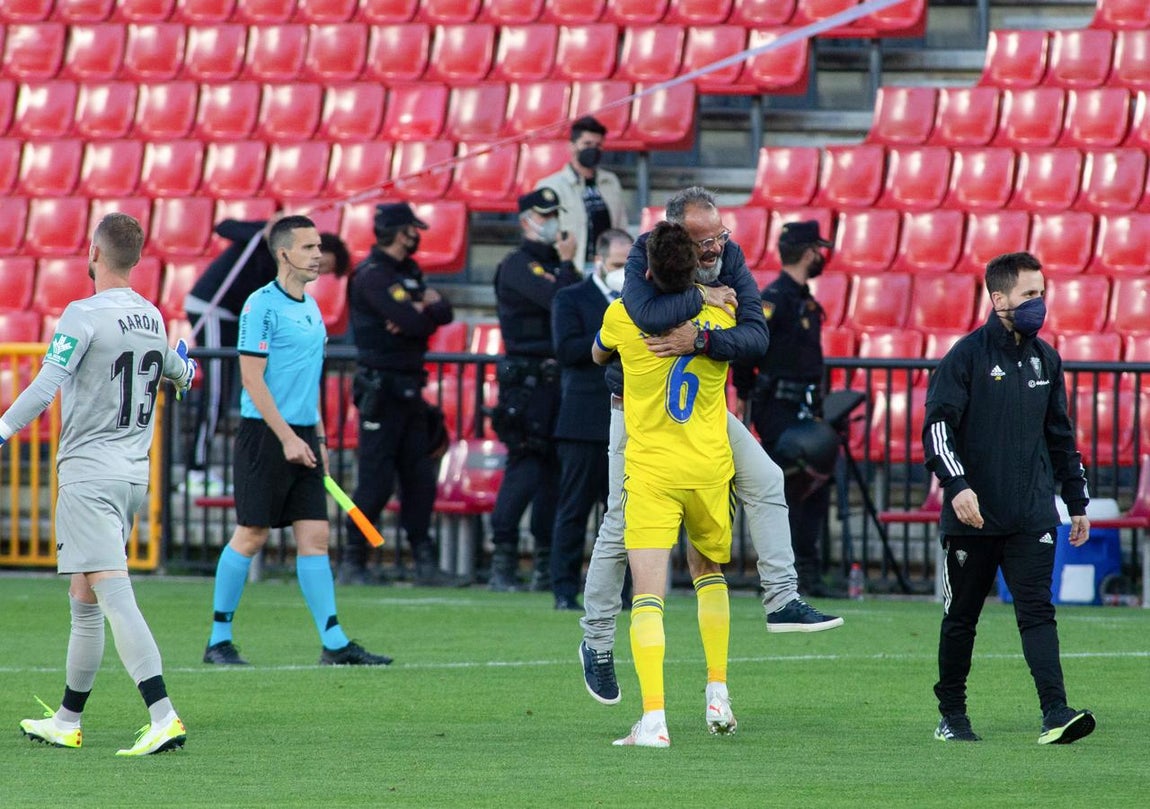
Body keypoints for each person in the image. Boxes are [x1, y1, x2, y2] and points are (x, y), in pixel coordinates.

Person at [579, 187, 841, 707]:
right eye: (703, 241)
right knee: (619, 521)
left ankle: (782, 597)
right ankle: (598, 640)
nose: (716, 249)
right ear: (673, 235)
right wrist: (703, 300)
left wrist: (699, 339)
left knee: (765, 478)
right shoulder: (646, 250)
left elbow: (756, 338)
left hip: (701, 412)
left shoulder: (731, 256)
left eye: (720, 236)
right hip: (635, 411)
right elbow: (645, 314)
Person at [9, 212, 196, 755]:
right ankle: (67, 719)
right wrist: (184, 368)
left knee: (113, 595)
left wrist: (1, 430)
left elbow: (45, 388)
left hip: (89, 474)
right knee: (84, 597)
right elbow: (181, 375)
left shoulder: (81, 315)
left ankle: (163, 714)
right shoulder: (153, 318)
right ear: (137, 260)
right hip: (133, 476)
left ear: (93, 253)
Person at [201, 215, 391, 667]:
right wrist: (286, 438)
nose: (318, 255)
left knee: (316, 537)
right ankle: (218, 640)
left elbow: (310, 383)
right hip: (266, 435)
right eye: (308, 247)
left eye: (319, 246)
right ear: (284, 253)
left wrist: (318, 438)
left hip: (303, 435)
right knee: (251, 534)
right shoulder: (260, 306)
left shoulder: (311, 306)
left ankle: (335, 642)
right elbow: (252, 378)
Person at [923, 251, 1095, 745]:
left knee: (1038, 612)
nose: (1039, 304)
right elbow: (937, 429)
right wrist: (957, 487)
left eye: (1042, 293)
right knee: (962, 618)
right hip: (973, 518)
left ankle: (1055, 711)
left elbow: (1060, 436)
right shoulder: (965, 357)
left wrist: (1076, 501)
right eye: (1029, 295)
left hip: (1031, 514)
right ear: (998, 299)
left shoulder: (1047, 358)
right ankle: (952, 715)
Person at [593, 221, 738, 748]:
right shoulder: (722, 310)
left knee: (648, 596)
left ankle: (654, 719)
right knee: (709, 573)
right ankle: (717, 690)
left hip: (652, 470)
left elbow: (597, 354)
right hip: (708, 467)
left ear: (646, 270)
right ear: (698, 266)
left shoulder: (621, 314)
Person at [338, 202, 458, 587]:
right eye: (411, 229)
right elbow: (415, 320)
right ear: (397, 231)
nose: (416, 236)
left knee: (420, 480)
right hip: (381, 390)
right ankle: (353, 557)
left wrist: (418, 312)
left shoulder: (407, 272)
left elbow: (441, 315)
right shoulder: (372, 275)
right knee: (374, 482)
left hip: (410, 391)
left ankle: (424, 559)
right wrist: (420, 311)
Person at [183, 218, 350, 493]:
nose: (316, 270)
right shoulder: (272, 242)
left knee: (232, 390)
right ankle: (196, 469)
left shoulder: (288, 274)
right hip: (213, 309)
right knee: (216, 392)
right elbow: (223, 226)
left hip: (234, 317)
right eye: (321, 263)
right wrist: (264, 232)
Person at [732, 220, 837, 597]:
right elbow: (747, 349)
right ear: (809, 252)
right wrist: (744, 390)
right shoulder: (775, 300)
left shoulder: (803, 299)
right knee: (788, 488)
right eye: (818, 250)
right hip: (778, 408)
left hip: (806, 409)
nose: (822, 256)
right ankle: (782, 575)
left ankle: (807, 572)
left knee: (814, 489)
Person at [488, 188, 581, 592]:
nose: (552, 221)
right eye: (544, 214)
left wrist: (565, 265)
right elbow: (561, 300)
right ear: (526, 219)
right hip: (527, 383)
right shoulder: (517, 266)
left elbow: (580, 304)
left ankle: (546, 560)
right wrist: (565, 264)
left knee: (554, 476)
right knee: (525, 468)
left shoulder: (559, 265)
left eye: (554, 213)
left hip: (558, 381)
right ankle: (503, 560)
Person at [549, 228, 632, 611]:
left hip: (627, 417)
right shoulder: (571, 298)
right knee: (574, 509)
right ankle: (564, 588)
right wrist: (610, 335)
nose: (622, 272)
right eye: (617, 264)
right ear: (598, 260)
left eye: (627, 265)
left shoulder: (639, 299)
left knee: (626, 510)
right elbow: (566, 349)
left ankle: (631, 592)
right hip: (582, 419)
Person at [535, 115, 628, 272]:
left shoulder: (611, 181)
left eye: (598, 145)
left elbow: (621, 226)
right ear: (572, 146)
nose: (593, 149)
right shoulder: (551, 186)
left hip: (607, 267)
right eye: (587, 144)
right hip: (571, 267)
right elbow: (541, 235)